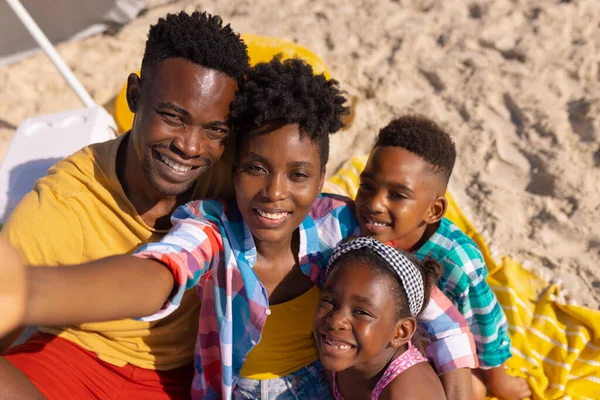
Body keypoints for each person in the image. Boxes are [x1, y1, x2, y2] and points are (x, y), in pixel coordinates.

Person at [0, 58, 476, 399]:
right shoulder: (214, 227)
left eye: (298, 175)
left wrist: (461, 385)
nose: (274, 192)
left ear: (322, 180)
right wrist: (29, 290)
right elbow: (158, 274)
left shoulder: (339, 227)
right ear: (233, 170)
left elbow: (434, 312)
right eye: (255, 168)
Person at [0, 10, 249, 400]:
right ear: (135, 96)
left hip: (181, 375)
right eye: (172, 116)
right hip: (72, 356)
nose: (190, 146)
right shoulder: (68, 200)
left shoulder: (234, 172)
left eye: (214, 129)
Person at [353, 115, 532, 400]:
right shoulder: (353, 229)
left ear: (434, 211)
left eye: (398, 195)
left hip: (439, 350)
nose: (374, 204)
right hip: (388, 338)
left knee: (473, 390)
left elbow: (484, 324)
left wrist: (501, 382)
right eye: (367, 187)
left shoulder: (458, 264)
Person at [314, 237, 446, 400]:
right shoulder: (338, 349)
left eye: (361, 312)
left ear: (400, 332)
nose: (335, 321)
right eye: (328, 301)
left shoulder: (406, 393)